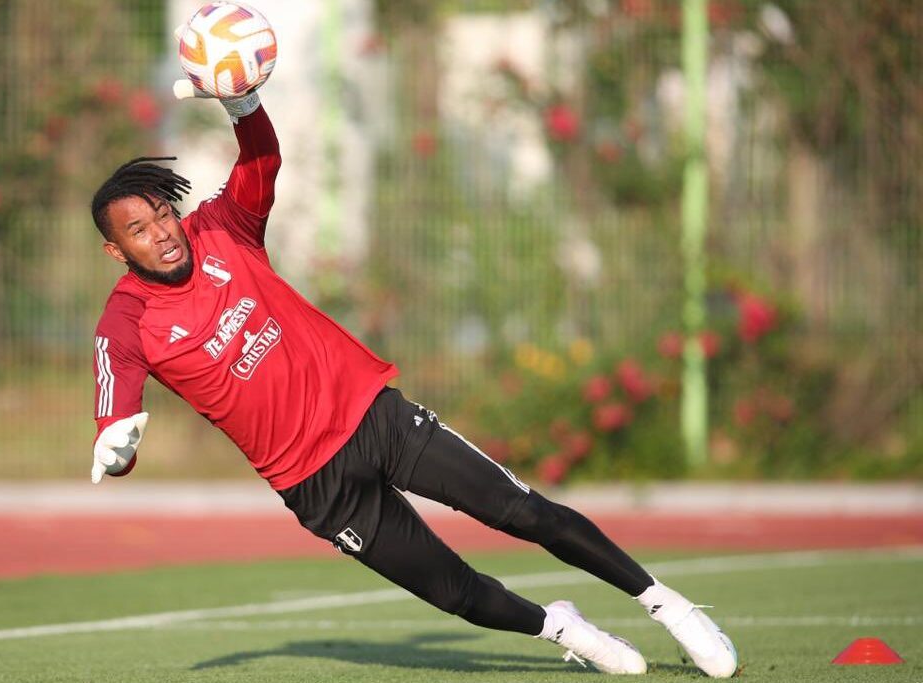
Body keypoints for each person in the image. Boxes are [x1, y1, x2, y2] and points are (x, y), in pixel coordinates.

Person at [88, 82, 738, 678]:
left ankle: (668, 604)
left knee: (520, 510)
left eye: (161, 215)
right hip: (315, 484)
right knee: (453, 590)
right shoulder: (125, 323)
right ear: (117, 251)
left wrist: (242, 106)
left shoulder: (221, 229)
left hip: (375, 415)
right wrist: (116, 449)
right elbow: (116, 423)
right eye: (138, 231)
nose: (162, 234)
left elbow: (262, 163)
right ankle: (563, 626)